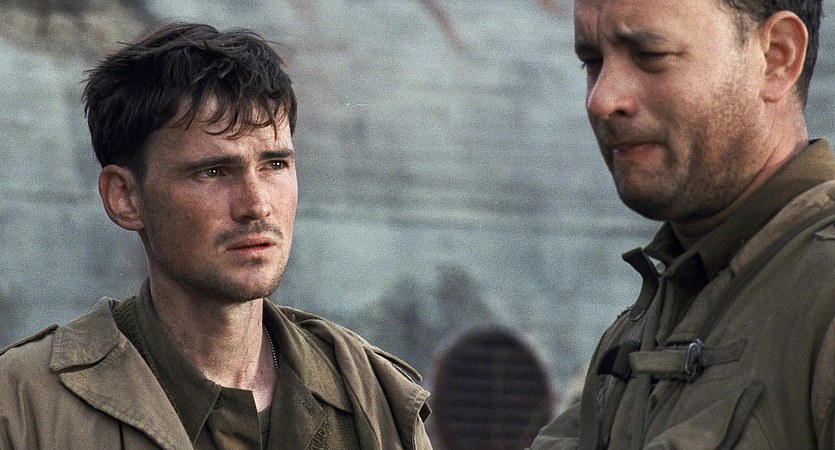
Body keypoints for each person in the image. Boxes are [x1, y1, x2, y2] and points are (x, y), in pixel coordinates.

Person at [0, 22, 432, 450]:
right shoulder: (24, 405)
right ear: (125, 197)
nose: (256, 205)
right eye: (213, 171)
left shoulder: (373, 398)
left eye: (275, 164)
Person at [529, 0, 835, 448]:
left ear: (776, 57)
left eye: (650, 56)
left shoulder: (821, 295)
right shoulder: (641, 329)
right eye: (592, 62)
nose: (602, 101)